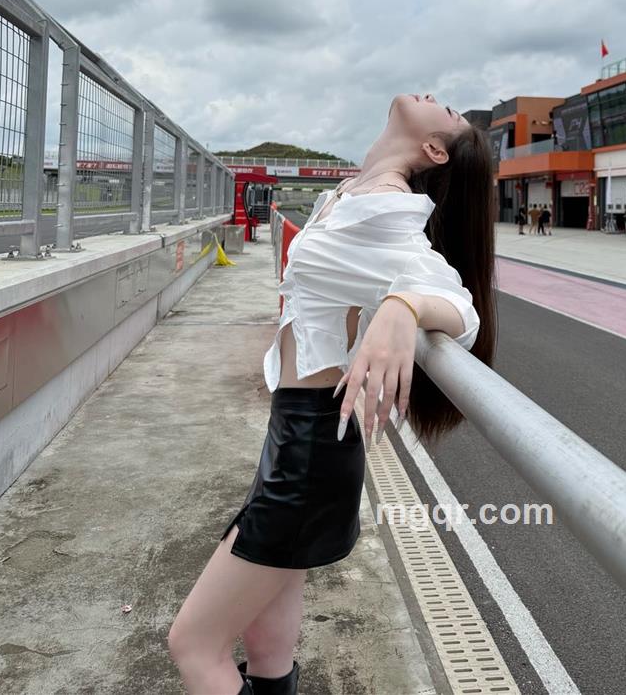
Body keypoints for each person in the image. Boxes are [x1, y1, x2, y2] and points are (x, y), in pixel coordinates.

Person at [168, 92, 496, 695]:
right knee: (265, 646)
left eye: (448, 112)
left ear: (433, 150)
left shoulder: (386, 210)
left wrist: (404, 305)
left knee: (193, 645)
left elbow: (463, 312)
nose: (435, 98)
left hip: (311, 449)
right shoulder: (354, 193)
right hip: (298, 434)